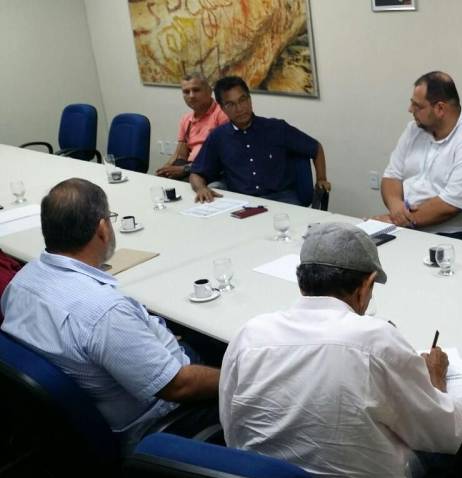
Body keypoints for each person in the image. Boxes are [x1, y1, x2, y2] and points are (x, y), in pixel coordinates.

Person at [220, 222, 462, 478]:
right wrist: (435, 380)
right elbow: (447, 435)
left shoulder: (249, 335)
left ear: (301, 283)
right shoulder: (375, 340)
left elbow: (232, 434)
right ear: (366, 285)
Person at [1, 178, 220, 451]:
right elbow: (177, 387)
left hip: (70, 422)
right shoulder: (105, 313)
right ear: (103, 229)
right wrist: (236, 379)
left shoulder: (21, 282)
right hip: (159, 420)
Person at [374, 71, 462, 240]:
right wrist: (396, 208)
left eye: (417, 106)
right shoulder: (414, 130)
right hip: (410, 225)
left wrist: (397, 222)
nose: (410, 110)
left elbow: (449, 206)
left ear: (440, 108)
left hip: (458, 234)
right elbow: (391, 177)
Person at [189, 76, 330, 205]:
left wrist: (321, 179)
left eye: (242, 100)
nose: (239, 108)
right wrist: (201, 188)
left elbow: (316, 148)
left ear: (250, 99)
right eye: (230, 104)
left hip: (283, 201)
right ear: (222, 108)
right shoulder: (218, 137)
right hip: (243, 204)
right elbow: (196, 173)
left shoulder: (276, 128)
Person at [155, 73, 228, 180]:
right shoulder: (186, 119)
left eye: (196, 90)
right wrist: (163, 170)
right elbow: (179, 155)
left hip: (212, 171)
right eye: (186, 92)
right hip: (190, 168)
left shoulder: (222, 114)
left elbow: (223, 156)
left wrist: (185, 169)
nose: (191, 96)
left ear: (209, 91)